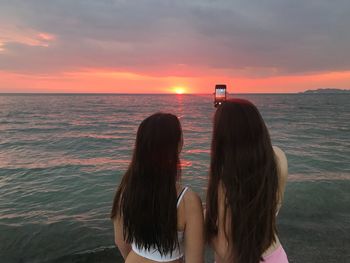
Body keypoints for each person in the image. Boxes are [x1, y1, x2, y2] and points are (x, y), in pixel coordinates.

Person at [111, 113, 204, 263]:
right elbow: (195, 260)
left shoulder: (126, 190)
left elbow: (120, 241)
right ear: (178, 145)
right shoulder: (188, 200)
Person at [205, 99, 289, 263]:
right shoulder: (279, 158)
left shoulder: (225, 180)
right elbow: (274, 206)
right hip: (276, 256)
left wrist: (205, 224)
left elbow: (226, 251)